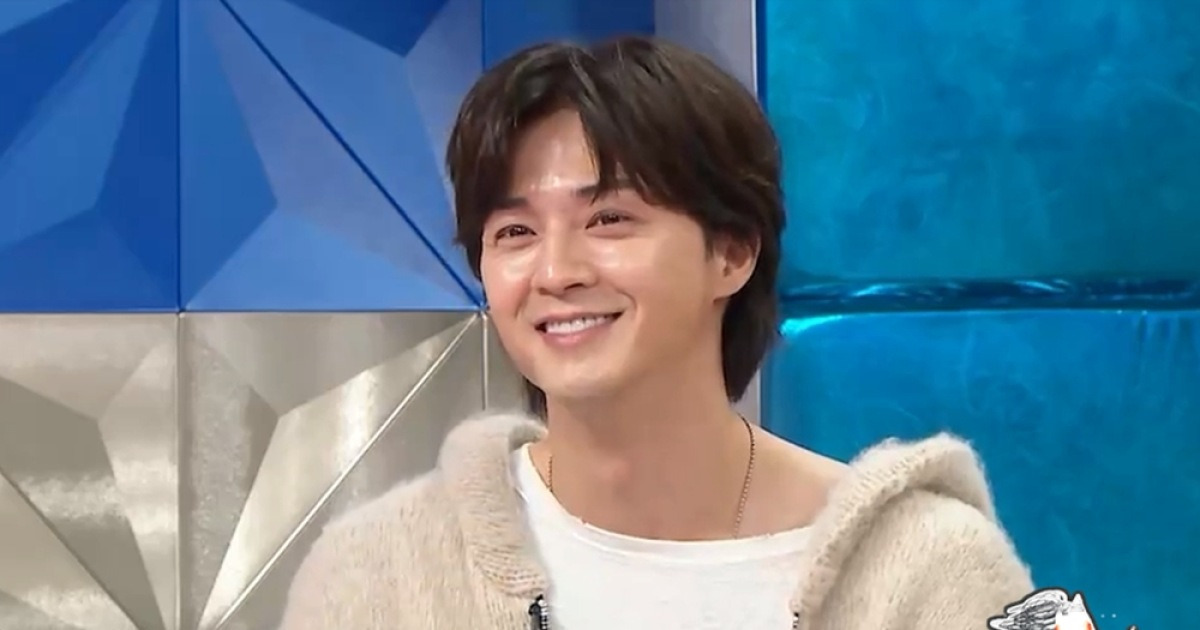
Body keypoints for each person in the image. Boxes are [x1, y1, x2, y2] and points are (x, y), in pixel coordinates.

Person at [278, 36, 1033, 630]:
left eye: (609, 219)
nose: (556, 271)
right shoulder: (378, 572)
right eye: (514, 232)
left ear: (732, 253)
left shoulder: (932, 574)